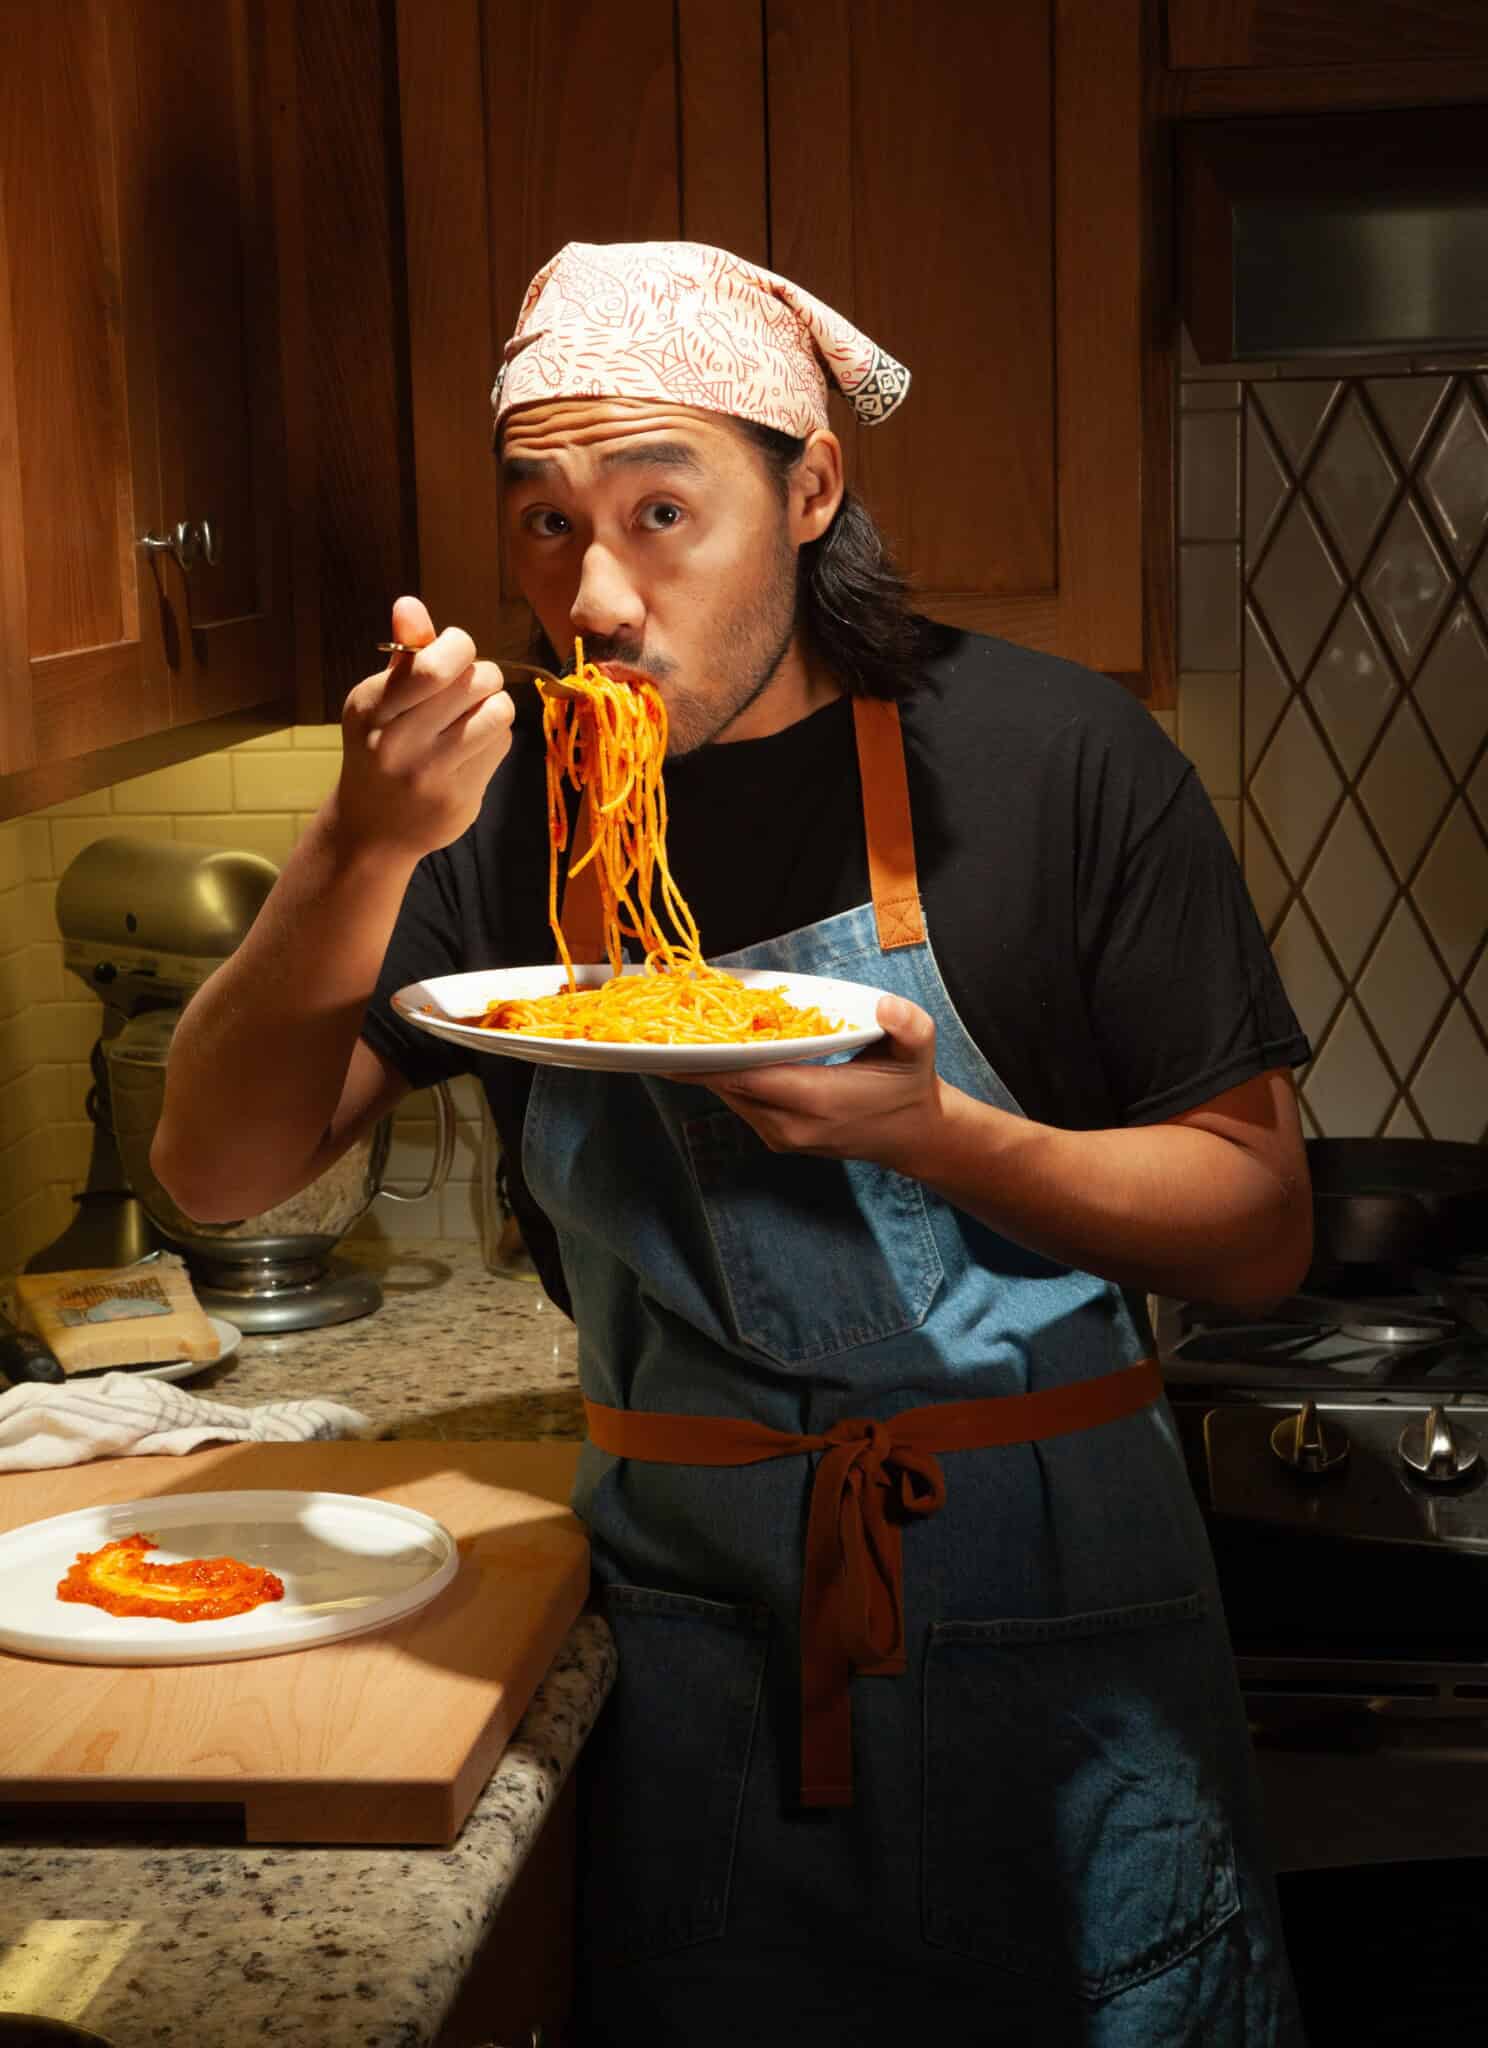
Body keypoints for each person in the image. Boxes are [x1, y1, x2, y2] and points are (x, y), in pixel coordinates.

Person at [154, 240, 1314, 2045]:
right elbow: (217, 1177)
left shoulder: (1054, 756)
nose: (595, 598)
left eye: (662, 512)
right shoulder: (502, 808)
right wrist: (357, 838)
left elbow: (1257, 1226)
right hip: (690, 1623)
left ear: (812, 488)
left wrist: (941, 1136)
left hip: (1062, 1619)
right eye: (546, 523)